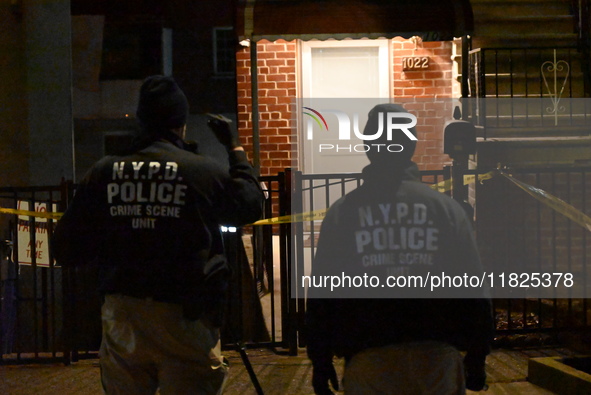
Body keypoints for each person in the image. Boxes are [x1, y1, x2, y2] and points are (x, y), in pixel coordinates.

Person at [53, 75, 264, 394]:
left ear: (141, 121)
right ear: (181, 124)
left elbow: (66, 248)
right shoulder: (198, 170)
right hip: (185, 314)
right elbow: (250, 205)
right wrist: (234, 148)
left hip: (123, 314)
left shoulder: (105, 171)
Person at [305, 103, 494, 394]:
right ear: (412, 144)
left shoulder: (343, 213)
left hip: (370, 357)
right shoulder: (446, 210)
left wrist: (320, 359)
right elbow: (473, 286)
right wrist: (477, 354)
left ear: (368, 145)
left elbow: (323, 292)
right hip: (435, 358)